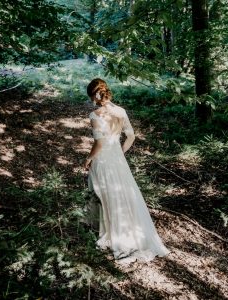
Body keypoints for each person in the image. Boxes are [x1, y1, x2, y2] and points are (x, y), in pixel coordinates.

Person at [84, 78, 169, 264]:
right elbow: (131, 136)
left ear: (93, 95)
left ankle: (112, 233)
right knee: (123, 194)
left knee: (105, 194)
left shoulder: (95, 114)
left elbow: (99, 142)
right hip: (118, 159)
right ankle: (127, 231)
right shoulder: (121, 111)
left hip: (103, 160)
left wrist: (88, 159)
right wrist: (120, 152)